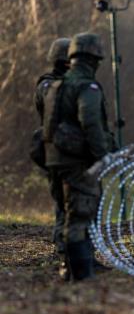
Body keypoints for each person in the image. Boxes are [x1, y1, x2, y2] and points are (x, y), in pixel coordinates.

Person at [43, 32, 115, 281]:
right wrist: (103, 156)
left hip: (55, 159)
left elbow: (48, 126)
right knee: (80, 216)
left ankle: (71, 268)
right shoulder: (87, 86)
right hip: (77, 162)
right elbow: (91, 123)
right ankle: (81, 275)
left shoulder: (55, 86)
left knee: (67, 213)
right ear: (92, 58)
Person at [34, 37, 70, 254]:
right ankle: (62, 244)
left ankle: (67, 244)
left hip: (67, 148)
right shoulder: (48, 84)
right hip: (55, 147)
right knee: (62, 199)